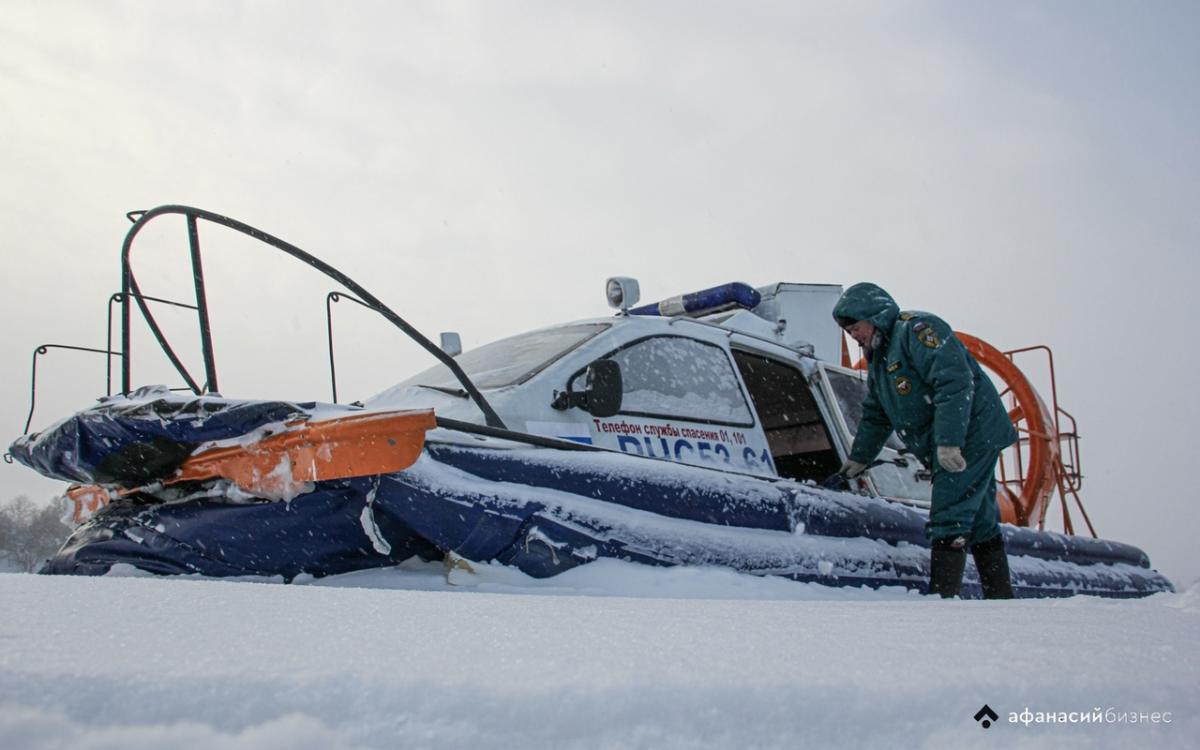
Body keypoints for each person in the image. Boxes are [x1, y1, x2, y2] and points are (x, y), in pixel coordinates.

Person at [831, 282, 1017, 599]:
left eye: (857, 328)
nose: (855, 336)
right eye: (849, 333)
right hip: (955, 439)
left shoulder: (917, 331)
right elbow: (877, 413)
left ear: (874, 316)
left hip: (971, 435)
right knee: (982, 520)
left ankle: (942, 601)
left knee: (948, 516)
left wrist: (949, 442)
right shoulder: (879, 359)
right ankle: (1000, 598)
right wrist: (859, 458)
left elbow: (954, 383)